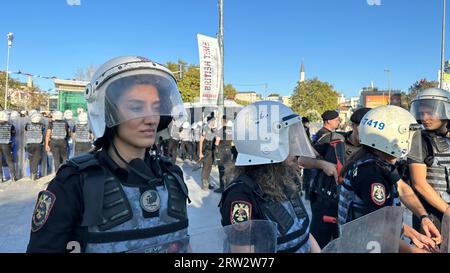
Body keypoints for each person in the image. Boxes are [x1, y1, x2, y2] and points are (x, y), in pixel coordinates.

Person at [27, 56, 190, 253]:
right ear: (107, 112)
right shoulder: (74, 182)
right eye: (136, 108)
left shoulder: (171, 176)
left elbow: (184, 245)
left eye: (156, 107)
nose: (151, 119)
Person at [219, 101, 321, 253]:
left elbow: (301, 229)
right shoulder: (240, 196)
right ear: (266, 144)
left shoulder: (285, 179)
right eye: (289, 140)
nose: (294, 147)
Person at [338, 105, 441, 253]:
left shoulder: (375, 161)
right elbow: (378, 230)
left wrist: (419, 225)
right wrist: (416, 251)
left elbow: (402, 189)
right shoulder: (373, 176)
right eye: (408, 134)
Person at [408, 87, 450, 233]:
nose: (425, 118)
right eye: (421, 113)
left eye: (430, 112)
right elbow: (419, 183)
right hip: (433, 215)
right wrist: (447, 211)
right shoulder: (418, 139)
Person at [214, 116, 234, 193]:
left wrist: (216, 150)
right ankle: (228, 186)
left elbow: (217, 141)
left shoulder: (220, 130)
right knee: (228, 169)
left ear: (223, 121)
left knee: (221, 170)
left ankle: (222, 188)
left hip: (221, 151)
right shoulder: (231, 130)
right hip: (229, 151)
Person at [24, 112, 45, 181]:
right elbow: (42, 131)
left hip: (30, 144)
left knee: (31, 159)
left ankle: (31, 174)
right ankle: (34, 174)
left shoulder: (27, 125)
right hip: (38, 144)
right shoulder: (42, 125)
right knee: (36, 160)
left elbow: (26, 130)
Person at [199, 116, 217, 190]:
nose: (214, 122)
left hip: (211, 151)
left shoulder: (213, 129)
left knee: (209, 167)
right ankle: (204, 184)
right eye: (213, 121)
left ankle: (207, 182)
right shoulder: (205, 128)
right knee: (206, 167)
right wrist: (200, 152)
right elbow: (201, 141)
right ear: (210, 121)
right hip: (206, 151)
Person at [0, 111, 17, 182]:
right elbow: (13, 134)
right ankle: (13, 177)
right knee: (10, 161)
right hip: (6, 144)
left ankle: (0, 178)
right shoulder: (11, 125)